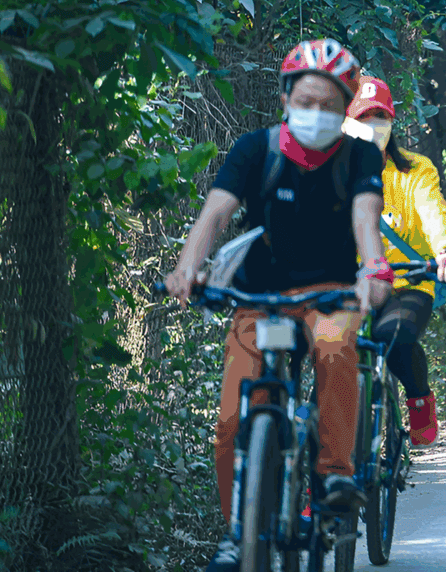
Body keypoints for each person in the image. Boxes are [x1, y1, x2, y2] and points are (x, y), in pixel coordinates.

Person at [164, 39, 390, 572]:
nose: (316, 113)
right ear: (287, 97)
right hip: (258, 297)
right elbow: (214, 215)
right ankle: (235, 531)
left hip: (331, 295)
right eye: (306, 101)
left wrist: (374, 270)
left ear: (346, 106)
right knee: (229, 422)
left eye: (330, 105)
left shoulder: (358, 155)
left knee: (336, 349)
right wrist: (187, 268)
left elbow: (365, 217)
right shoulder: (254, 150)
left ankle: (334, 474)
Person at [342, 74, 446, 447]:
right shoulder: (333, 171)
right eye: (362, 119)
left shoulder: (415, 170)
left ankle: (418, 399)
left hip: (408, 280)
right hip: (352, 284)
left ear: (392, 122)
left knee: (392, 335)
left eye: (379, 118)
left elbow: (432, 212)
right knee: (330, 354)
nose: (371, 128)